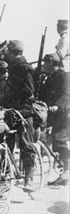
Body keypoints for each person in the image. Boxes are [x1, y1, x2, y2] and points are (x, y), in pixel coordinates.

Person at [1, 40, 38, 192]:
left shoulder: (23, 68)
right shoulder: (13, 67)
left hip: (23, 111)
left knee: (25, 144)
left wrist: (9, 95)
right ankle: (4, 177)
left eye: (7, 52)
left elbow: (28, 91)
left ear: (11, 52)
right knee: (4, 143)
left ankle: (28, 179)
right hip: (11, 111)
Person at [40, 53, 70, 185]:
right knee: (55, 144)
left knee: (60, 142)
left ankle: (67, 172)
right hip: (50, 115)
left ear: (51, 63)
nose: (43, 65)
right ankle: (64, 172)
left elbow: (66, 94)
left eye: (45, 62)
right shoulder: (49, 77)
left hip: (61, 116)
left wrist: (57, 106)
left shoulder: (64, 76)